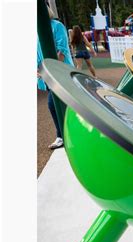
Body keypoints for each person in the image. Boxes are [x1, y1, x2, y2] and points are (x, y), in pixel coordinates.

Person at [37, 5, 75, 149]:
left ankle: (62, 135)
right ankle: (65, 134)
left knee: (54, 104)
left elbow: (62, 50)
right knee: (59, 104)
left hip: (58, 71)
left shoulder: (56, 26)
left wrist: (49, 69)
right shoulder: (35, 30)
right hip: (45, 73)